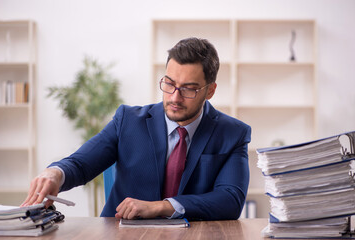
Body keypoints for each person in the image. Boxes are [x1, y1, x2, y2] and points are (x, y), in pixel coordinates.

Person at [21, 37, 251, 220]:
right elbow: (81, 164)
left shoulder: (233, 133)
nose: (175, 97)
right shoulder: (128, 121)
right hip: (123, 233)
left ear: (210, 91)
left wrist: (163, 207)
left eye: (189, 89)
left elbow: (230, 200)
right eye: (169, 84)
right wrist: (56, 173)